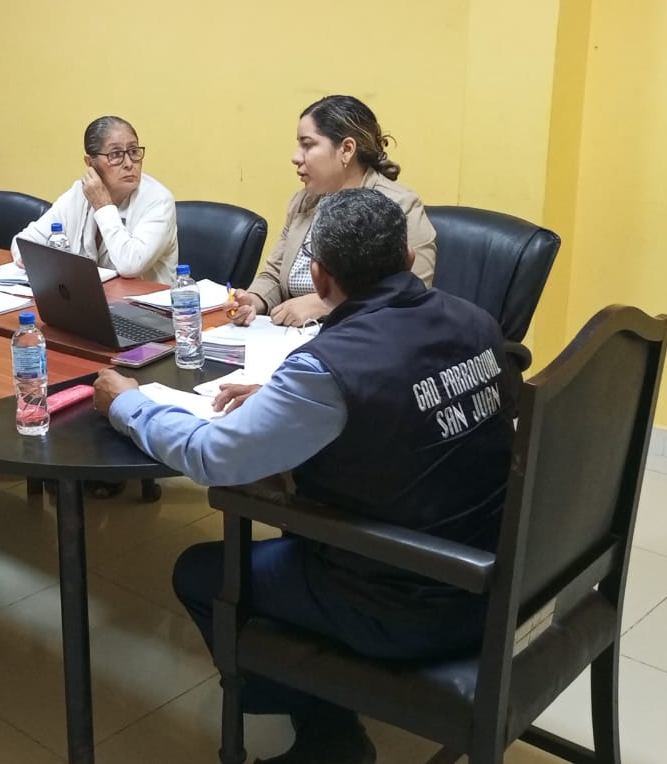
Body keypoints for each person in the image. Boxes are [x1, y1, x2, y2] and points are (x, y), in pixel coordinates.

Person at [93, 190, 519, 764]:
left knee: (200, 573)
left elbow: (213, 456)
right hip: (500, 567)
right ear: (406, 258)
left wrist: (128, 403)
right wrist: (285, 398)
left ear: (319, 277)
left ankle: (328, 734)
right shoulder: (476, 320)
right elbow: (416, 405)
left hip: (411, 599)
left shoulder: (331, 366)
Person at [229, 95, 437, 327]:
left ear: (346, 149)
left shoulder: (399, 205)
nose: (295, 157)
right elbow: (274, 275)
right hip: (291, 337)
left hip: (363, 336)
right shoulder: (303, 201)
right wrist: (254, 300)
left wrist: (325, 304)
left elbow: (413, 292)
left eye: (308, 145)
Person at [10, 115, 179, 283]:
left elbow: (130, 265)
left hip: (146, 299)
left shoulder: (158, 200)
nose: (129, 163)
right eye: (116, 154)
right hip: (90, 296)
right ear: (90, 163)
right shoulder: (79, 193)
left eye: (134, 151)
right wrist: (31, 259)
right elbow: (23, 242)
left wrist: (103, 206)